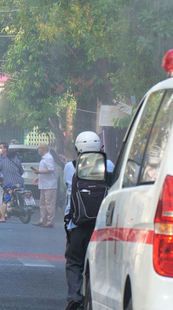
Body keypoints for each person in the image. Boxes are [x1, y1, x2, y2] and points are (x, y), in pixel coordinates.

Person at [64, 131, 115, 310]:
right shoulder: (109, 165)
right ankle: (95, 299)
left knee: (74, 261)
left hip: (77, 224)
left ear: (78, 148)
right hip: (102, 225)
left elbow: (69, 195)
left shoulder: (70, 167)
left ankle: (74, 298)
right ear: (100, 147)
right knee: (99, 264)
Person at [0, 145, 25, 222]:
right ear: (14, 156)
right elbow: (21, 171)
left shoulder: (4, 162)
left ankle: (3, 217)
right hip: (20, 183)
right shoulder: (18, 161)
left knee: (5, 200)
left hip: (9, 184)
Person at [32, 142, 56, 227]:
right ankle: (42, 220)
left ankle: (50, 221)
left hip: (49, 185)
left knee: (49, 204)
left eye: (39, 148)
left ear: (43, 149)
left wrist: (40, 172)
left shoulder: (48, 158)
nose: (38, 150)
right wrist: (39, 176)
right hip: (43, 184)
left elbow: (51, 169)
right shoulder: (43, 158)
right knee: (42, 203)